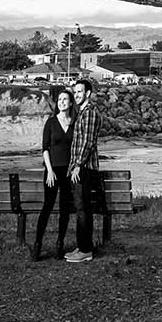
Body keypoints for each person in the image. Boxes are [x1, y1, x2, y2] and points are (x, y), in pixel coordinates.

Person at [31, 85, 74, 262]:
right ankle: (37, 244)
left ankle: (59, 244)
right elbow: (45, 148)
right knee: (47, 207)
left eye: (66, 99)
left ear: (71, 103)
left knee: (65, 209)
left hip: (69, 172)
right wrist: (49, 170)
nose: (62, 102)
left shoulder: (75, 122)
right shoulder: (51, 122)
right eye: (60, 99)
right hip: (52, 171)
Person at [62, 75, 101, 263]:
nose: (76, 95)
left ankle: (85, 250)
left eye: (80, 92)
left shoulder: (90, 113)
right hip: (78, 168)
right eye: (75, 92)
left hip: (83, 169)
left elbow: (88, 142)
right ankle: (83, 246)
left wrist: (78, 165)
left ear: (88, 93)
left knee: (83, 209)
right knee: (80, 208)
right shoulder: (82, 113)